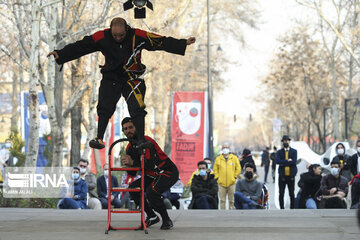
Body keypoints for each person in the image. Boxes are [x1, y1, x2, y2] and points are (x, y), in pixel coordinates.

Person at [47, 17, 196, 149]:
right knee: (104, 107)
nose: (118, 38)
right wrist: (61, 54)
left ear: (127, 29)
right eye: (115, 35)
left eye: (121, 35)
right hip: (111, 77)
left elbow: (160, 41)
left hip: (132, 77)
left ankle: (141, 140)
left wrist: (182, 43)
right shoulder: (102, 36)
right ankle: (99, 138)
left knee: (137, 107)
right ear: (110, 30)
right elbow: (82, 46)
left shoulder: (138, 35)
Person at [121, 117, 179, 230]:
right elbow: (132, 174)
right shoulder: (129, 147)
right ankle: (152, 216)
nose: (128, 131)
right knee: (133, 188)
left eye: (130, 127)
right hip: (152, 175)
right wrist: (128, 165)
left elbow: (150, 165)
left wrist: (133, 162)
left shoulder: (147, 141)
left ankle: (166, 220)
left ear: (137, 127)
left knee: (152, 192)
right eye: (125, 129)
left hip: (167, 171)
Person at [213, 144, 241, 210]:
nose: (225, 149)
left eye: (226, 147)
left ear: (229, 149)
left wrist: (235, 176)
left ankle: (231, 213)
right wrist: (217, 178)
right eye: (224, 147)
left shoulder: (234, 158)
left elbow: (238, 168)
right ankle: (223, 214)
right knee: (222, 200)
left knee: (232, 200)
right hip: (221, 183)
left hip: (232, 183)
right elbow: (215, 169)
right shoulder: (218, 159)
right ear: (222, 149)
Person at [276, 135, 297, 209]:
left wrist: (283, 163)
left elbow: (294, 162)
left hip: (291, 175)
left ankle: (292, 208)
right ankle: (282, 208)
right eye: (284, 141)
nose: (286, 142)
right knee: (281, 193)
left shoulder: (294, 151)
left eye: (287, 140)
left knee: (291, 193)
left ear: (289, 141)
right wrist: (287, 161)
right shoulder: (279, 152)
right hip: (282, 176)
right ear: (282, 142)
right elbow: (277, 161)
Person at [349, 140, 360, 209]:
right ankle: (355, 204)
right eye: (358, 146)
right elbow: (352, 168)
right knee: (356, 183)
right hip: (357, 176)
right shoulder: (353, 157)